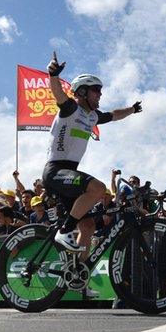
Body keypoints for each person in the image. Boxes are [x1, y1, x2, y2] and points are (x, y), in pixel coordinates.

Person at [44, 52, 142, 253]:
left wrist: (132, 109)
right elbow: (58, 94)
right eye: (96, 90)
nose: (100, 94)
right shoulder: (71, 108)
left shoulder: (92, 117)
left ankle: (78, 278)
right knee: (98, 188)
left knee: (88, 227)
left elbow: (114, 115)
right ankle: (64, 231)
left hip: (69, 173)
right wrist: (53, 75)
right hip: (55, 171)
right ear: (81, 92)